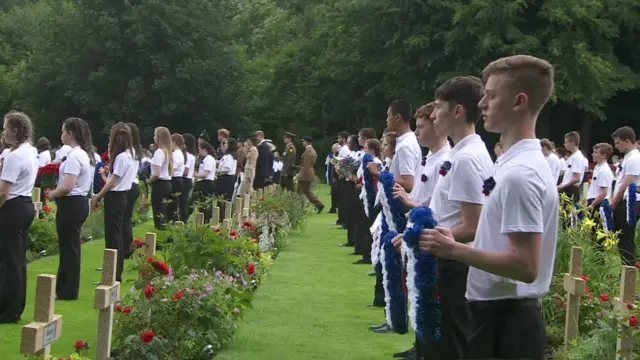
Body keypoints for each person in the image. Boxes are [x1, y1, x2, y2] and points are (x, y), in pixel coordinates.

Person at [421, 55, 558, 360]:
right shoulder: (509, 163)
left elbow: (525, 266)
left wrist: (453, 249)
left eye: (492, 95)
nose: (481, 104)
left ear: (519, 102)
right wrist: (448, 235)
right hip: (496, 315)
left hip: (507, 322)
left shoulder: (521, 173)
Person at [421, 76, 493, 359]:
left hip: (455, 265)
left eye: (438, 107)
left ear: (458, 111)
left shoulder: (465, 158)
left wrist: (428, 239)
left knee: (450, 345)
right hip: (450, 259)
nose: (434, 114)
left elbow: (473, 225)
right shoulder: (464, 152)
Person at [368, 100, 422, 337]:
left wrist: (381, 174)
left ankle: (397, 319)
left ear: (399, 117)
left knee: (396, 269)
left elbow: (409, 183)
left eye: (389, 115)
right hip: (393, 211)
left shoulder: (407, 145)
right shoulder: (401, 143)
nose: (387, 120)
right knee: (388, 268)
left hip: (399, 212)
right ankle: (391, 316)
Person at [46, 117, 94, 300]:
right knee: (70, 246)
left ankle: (67, 290)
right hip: (79, 202)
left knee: (69, 248)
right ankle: (65, 288)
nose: (61, 135)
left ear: (70, 134)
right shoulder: (83, 154)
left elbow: (68, 185)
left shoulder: (75, 156)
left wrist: (52, 194)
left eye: (63, 131)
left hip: (72, 203)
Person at [0, 111, 39, 323]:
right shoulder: (30, 151)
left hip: (13, 206)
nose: (3, 132)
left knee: (10, 260)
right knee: (16, 259)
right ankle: (12, 306)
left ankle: (9, 310)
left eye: (6, 127)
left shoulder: (14, 156)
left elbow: (3, 191)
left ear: (15, 130)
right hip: (25, 203)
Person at [91, 123, 135, 283]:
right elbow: (112, 180)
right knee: (115, 235)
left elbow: (113, 183)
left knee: (114, 237)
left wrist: (98, 196)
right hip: (119, 196)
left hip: (116, 197)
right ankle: (113, 273)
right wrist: (105, 177)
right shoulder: (127, 155)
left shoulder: (122, 157)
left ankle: (113, 275)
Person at [609, 126, 640, 266]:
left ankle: (629, 272)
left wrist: (613, 203)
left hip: (629, 202)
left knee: (626, 238)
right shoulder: (628, 157)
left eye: (617, 143)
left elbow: (627, 184)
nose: (616, 146)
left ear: (627, 141)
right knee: (622, 238)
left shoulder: (634, 158)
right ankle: (627, 269)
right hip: (624, 200)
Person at [123, 123, 143, 258]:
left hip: (129, 185)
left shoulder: (129, 151)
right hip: (134, 184)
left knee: (124, 219)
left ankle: (126, 248)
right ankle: (128, 246)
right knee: (127, 219)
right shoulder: (136, 150)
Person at [149, 127, 174, 230]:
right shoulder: (167, 152)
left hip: (160, 184)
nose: (153, 137)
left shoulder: (159, 152)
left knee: (158, 214)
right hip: (167, 183)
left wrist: (148, 181)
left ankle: (159, 238)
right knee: (163, 212)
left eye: (155, 135)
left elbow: (157, 173)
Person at [296, 136, 324, 213]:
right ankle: (300, 207)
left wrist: (300, 174)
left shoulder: (308, 151)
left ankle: (318, 204)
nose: (303, 143)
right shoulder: (310, 150)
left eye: (304, 141)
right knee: (300, 191)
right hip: (307, 173)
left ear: (307, 142)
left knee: (305, 191)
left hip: (306, 174)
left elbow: (306, 165)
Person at [558, 131, 585, 206]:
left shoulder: (577, 157)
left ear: (572, 142)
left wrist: (562, 186)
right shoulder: (572, 157)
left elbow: (576, 178)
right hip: (567, 188)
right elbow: (568, 177)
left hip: (571, 189)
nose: (564, 144)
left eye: (566, 142)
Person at [191, 141, 216, 219]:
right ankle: (202, 218)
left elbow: (205, 174)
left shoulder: (209, 159)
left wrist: (195, 175)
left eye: (200, 149)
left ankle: (206, 219)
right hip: (201, 182)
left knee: (204, 202)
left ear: (205, 150)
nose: (199, 151)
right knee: (200, 202)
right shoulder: (204, 159)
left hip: (206, 183)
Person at [216, 137, 238, 223]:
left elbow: (227, 169)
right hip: (226, 180)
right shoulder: (229, 156)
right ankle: (222, 218)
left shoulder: (229, 156)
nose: (223, 146)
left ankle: (222, 219)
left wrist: (217, 171)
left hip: (225, 179)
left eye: (225, 144)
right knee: (223, 201)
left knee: (223, 201)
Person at [168, 134, 186, 222]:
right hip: (177, 179)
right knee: (174, 203)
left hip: (175, 179)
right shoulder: (178, 153)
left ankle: (171, 220)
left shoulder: (176, 154)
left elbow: (172, 168)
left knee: (172, 203)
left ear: (174, 142)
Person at [181, 133, 197, 222]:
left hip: (185, 180)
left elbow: (185, 171)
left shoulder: (188, 155)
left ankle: (184, 220)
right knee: (184, 201)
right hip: (188, 180)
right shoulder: (192, 155)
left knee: (183, 203)